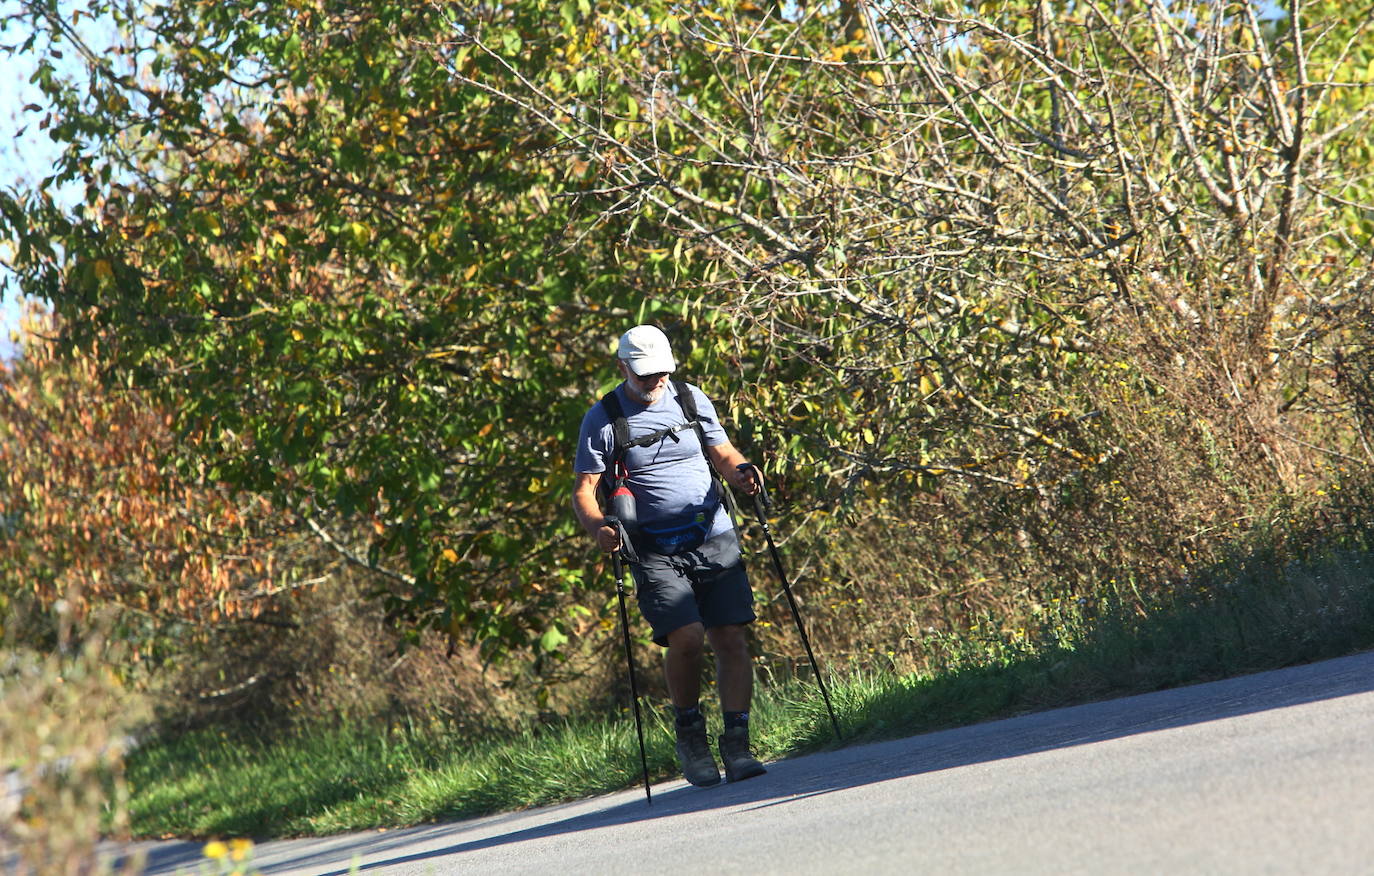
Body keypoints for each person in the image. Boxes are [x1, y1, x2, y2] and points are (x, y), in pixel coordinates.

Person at [572, 324, 767, 787]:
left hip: (712, 533)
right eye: (644, 375)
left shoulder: (690, 398)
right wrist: (599, 527)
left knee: (732, 637)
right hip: (654, 549)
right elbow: (584, 490)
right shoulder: (603, 419)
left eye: (661, 372)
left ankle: (737, 744)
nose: (655, 381)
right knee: (686, 638)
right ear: (623, 369)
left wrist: (741, 473)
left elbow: (721, 452)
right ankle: (690, 736)